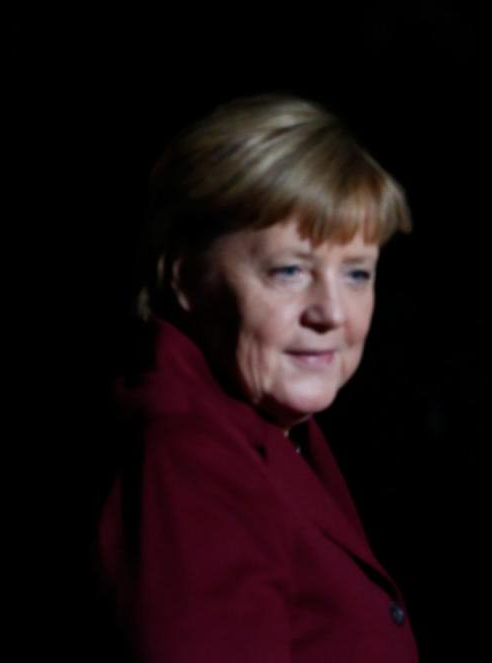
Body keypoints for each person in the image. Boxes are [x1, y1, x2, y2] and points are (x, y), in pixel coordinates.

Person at [96, 95, 418, 662]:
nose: (332, 313)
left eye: (357, 273)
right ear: (185, 277)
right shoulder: (189, 460)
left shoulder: (264, 423)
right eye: (289, 270)